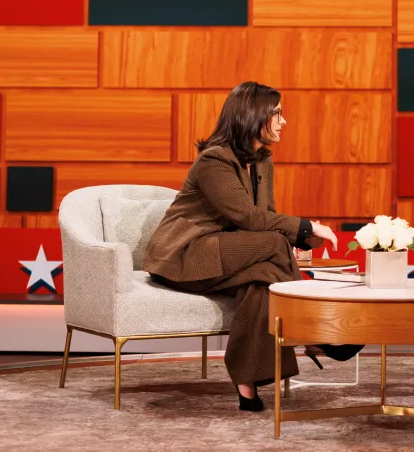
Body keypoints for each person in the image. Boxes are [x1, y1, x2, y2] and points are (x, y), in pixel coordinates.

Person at [142, 81, 363, 412]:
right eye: (277, 113)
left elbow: (266, 216)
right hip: (186, 255)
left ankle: (246, 387)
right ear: (252, 115)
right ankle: (314, 331)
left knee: (262, 279)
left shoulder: (261, 162)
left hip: (229, 254)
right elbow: (247, 217)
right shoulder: (213, 160)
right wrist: (304, 229)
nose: (283, 121)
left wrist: (301, 239)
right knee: (274, 245)